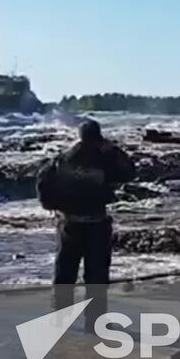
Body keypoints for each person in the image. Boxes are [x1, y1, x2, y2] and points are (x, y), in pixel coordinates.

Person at [37, 119, 136, 304]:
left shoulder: (63, 158)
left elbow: (43, 181)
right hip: (96, 223)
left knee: (64, 274)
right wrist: (112, 149)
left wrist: (52, 205)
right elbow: (129, 172)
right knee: (96, 277)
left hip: (68, 223)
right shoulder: (104, 159)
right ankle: (95, 321)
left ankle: (60, 317)